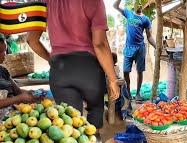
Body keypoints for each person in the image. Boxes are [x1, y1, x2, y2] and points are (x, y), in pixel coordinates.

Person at [27, 0, 120, 131]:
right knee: (95, 116)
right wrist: (112, 79)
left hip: (60, 70)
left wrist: (51, 59)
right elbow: (99, 44)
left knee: (70, 126)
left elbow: (31, 40)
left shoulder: (44, 2)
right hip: (89, 70)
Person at [113, 0, 156, 102]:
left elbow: (149, 36)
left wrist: (156, 46)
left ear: (144, 5)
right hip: (128, 47)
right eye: (138, 2)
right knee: (126, 71)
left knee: (139, 71)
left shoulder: (146, 19)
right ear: (135, 4)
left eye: (141, 3)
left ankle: (137, 94)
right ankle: (127, 91)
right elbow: (115, 6)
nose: (139, 5)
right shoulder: (128, 13)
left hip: (140, 48)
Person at [0, 36, 39, 120]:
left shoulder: (3, 71)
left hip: (14, 115)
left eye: (5, 50)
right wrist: (18, 99)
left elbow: (17, 91)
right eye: (1, 51)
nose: (4, 54)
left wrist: (33, 93)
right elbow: (18, 97)